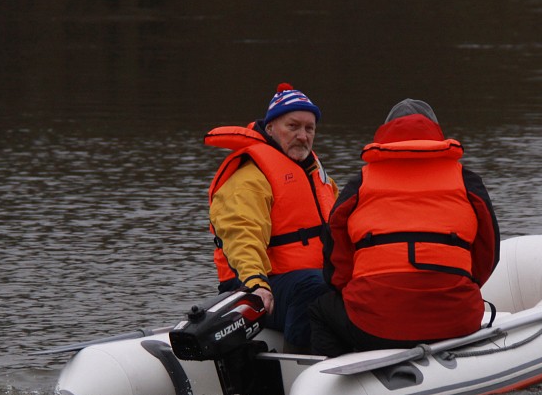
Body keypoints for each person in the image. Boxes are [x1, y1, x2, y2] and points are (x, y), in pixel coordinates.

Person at [309, 99, 500, 357]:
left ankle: (337, 374)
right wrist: (460, 285)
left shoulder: (360, 183)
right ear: (436, 133)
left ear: (385, 133)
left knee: (319, 310)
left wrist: (356, 293)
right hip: (456, 321)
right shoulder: (468, 181)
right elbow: (488, 253)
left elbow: (335, 255)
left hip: (374, 324)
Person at [205, 83, 338, 352]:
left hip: (306, 280)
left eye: (309, 128)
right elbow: (242, 236)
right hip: (254, 287)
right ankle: (302, 363)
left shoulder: (317, 176)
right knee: (314, 287)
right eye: (293, 126)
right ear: (270, 128)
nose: (302, 136)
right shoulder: (250, 179)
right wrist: (256, 283)